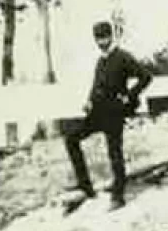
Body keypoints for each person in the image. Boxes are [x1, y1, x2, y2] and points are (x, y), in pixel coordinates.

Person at [61, 21, 153, 210]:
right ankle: (85, 185)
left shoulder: (123, 57)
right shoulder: (101, 60)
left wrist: (129, 96)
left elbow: (145, 77)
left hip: (114, 113)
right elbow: (96, 85)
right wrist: (88, 101)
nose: (101, 42)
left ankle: (118, 197)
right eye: (98, 38)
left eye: (104, 37)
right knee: (71, 139)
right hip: (97, 112)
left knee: (114, 152)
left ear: (111, 36)